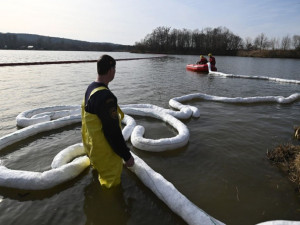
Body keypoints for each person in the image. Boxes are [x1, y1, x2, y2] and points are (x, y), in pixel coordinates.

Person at [81, 54, 134, 188]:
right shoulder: (106, 97)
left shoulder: (90, 88)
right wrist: (127, 156)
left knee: (99, 179)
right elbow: (112, 132)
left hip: (93, 149)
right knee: (111, 186)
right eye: (114, 69)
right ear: (110, 70)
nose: (115, 72)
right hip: (106, 155)